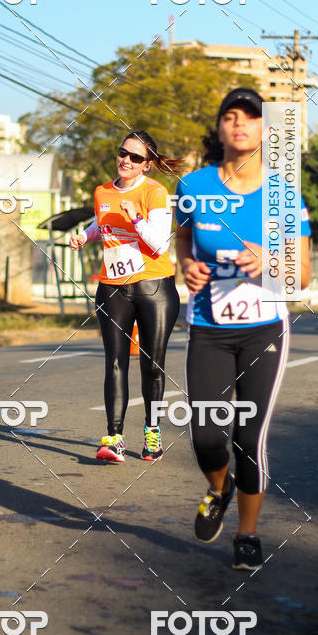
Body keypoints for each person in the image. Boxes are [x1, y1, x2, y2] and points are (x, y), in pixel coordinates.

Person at [175, 88, 311, 570]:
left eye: (250, 118)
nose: (240, 125)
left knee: (248, 438)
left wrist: (270, 260)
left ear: (264, 132)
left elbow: (303, 276)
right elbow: (184, 239)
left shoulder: (282, 195)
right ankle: (219, 487)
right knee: (207, 436)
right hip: (209, 326)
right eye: (230, 117)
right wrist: (187, 266)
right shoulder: (193, 187)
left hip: (264, 329)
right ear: (220, 129)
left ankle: (248, 533)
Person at [71, 131, 184, 463]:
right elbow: (102, 220)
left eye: (136, 157)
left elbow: (159, 244)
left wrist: (135, 216)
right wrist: (86, 235)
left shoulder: (155, 193)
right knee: (116, 362)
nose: (126, 160)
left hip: (154, 287)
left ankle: (152, 434)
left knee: (151, 364)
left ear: (146, 165)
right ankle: (114, 439)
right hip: (113, 287)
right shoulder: (103, 191)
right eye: (124, 153)